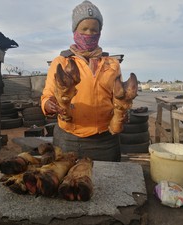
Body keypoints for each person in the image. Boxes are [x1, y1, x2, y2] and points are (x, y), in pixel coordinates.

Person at [41, 0, 125, 162]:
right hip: (69, 138)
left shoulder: (111, 64)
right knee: (68, 182)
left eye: (94, 30)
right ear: (75, 31)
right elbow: (48, 94)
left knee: (106, 181)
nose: (89, 34)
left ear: (100, 32)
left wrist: (121, 112)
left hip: (106, 139)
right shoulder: (61, 62)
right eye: (84, 29)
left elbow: (119, 97)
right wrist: (48, 105)